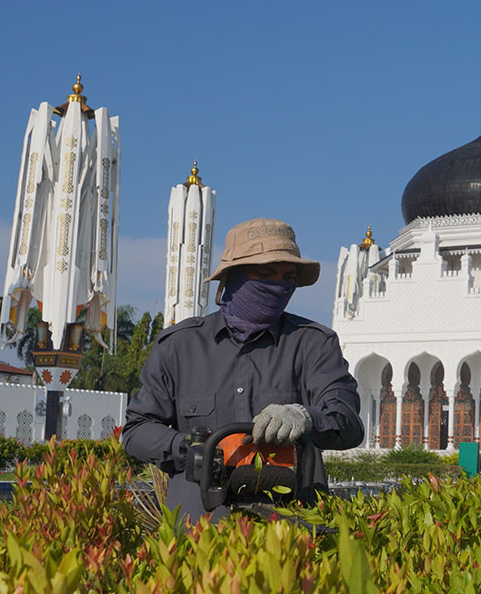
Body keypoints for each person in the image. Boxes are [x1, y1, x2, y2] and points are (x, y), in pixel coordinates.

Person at [122, 218, 364, 522]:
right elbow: (137, 431)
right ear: (232, 278)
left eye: (287, 276)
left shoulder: (314, 345)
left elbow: (349, 423)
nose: (277, 285)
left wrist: (305, 417)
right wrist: (188, 448)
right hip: (197, 529)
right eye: (265, 274)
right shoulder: (179, 345)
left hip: (291, 529)